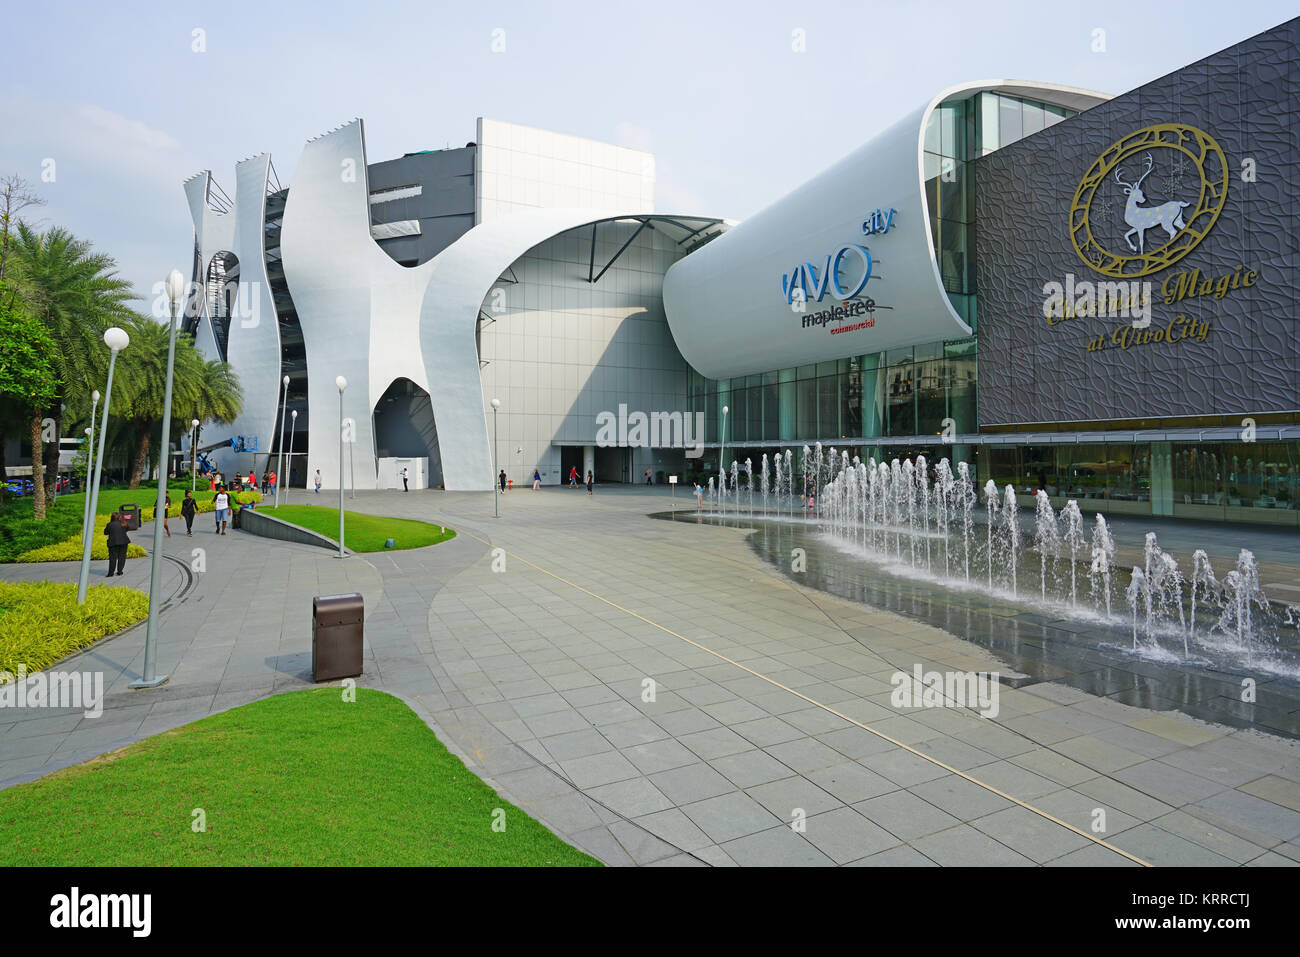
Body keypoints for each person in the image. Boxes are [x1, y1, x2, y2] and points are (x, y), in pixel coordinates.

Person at [104, 512, 130, 577]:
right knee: (122, 557)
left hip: (113, 543)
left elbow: (105, 532)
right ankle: (120, 571)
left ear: (112, 517)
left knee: (113, 558)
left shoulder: (109, 524)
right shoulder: (124, 523)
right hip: (124, 542)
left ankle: (111, 573)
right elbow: (127, 529)